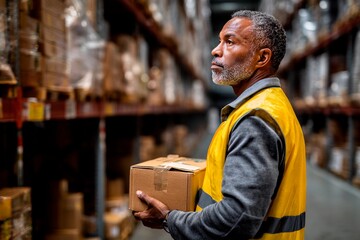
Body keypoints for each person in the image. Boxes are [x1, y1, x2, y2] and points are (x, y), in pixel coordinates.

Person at [133, 10, 306, 240]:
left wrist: (169, 219)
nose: (215, 50)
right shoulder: (270, 105)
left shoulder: (256, 119)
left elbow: (236, 220)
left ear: (262, 58)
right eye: (219, 40)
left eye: (230, 41)